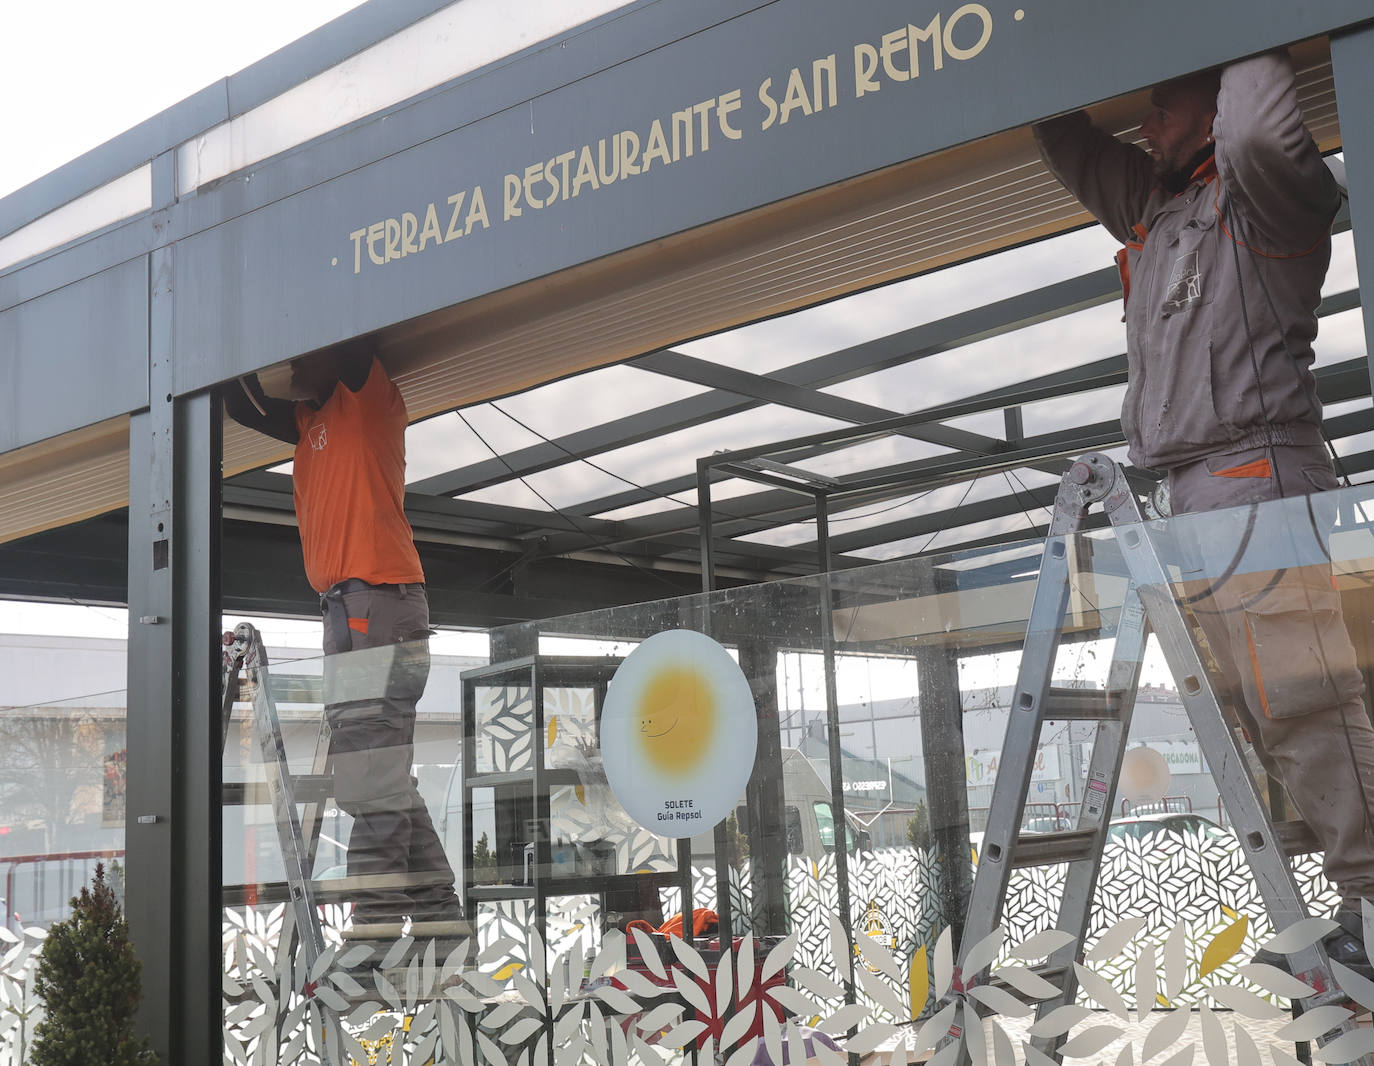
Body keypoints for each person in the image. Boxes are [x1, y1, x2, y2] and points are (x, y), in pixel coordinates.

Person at [1034, 51, 1374, 970]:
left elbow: (1261, 127)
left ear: (1215, 99)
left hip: (1256, 481)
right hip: (1195, 497)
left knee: (1310, 708)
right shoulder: (1162, 205)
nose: (1144, 122)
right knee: (1269, 716)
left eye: (1160, 101)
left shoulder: (1264, 196)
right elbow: (1062, 140)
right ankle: (1359, 905)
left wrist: (1240, 32)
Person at [225, 343, 463, 933]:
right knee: (379, 773)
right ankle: (441, 922)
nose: (292, 371)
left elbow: (349, 341)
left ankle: (375, 925)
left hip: (378, 604)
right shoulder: (311, 422)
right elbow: (244, 405)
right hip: (350, 611)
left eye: (303, 358)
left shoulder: (369, 399)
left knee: (369, 775)